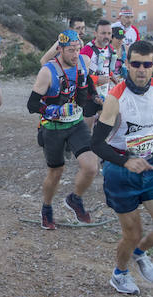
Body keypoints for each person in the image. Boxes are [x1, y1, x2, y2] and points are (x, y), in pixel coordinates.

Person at [91, 40, 153, 295]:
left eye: (147, 64)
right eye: (136, 64)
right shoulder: (115, 98)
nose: (141, 69)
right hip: (120, 170)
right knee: (131, 234)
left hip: (150, 164)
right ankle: (120, 274)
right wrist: (125, 161)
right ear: (127, 64)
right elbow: (96, 143)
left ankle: (140, 253)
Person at [27, 30, 101, 229]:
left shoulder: (83, 61)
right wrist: (55, 110)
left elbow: (86, 82)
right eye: (70, 50)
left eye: (77, 49)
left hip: (76, 123)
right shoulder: (47, 71)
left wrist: (95, 97)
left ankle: (75, 199)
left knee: (91, 166)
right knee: (56, 171)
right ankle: (47, 207)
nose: (75, 54)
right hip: (53, 128)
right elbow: (32, 104)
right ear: (59, 49)